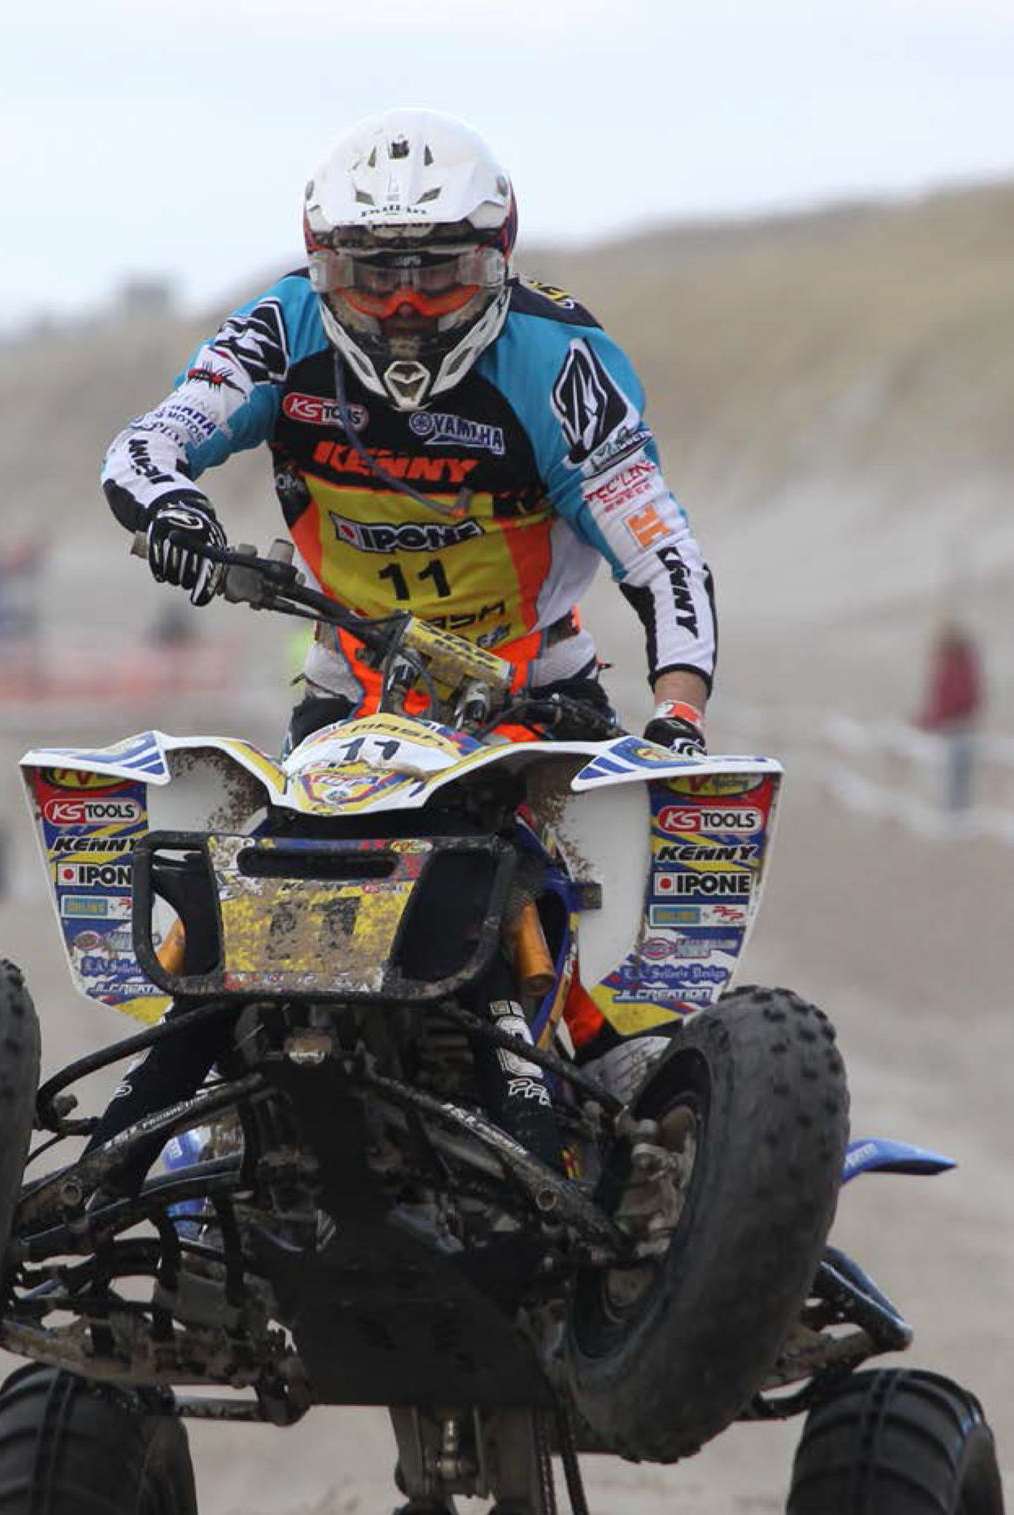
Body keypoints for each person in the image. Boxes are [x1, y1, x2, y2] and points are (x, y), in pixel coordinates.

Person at [90, 108, 720, 1174]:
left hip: (540, 704)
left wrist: (681, 714)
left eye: (437, 271)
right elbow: (149, 443)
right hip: (353, 696)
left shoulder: (561, 361)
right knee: (249, 921)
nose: (405, 307)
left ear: (497, 257)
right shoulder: (278, 330)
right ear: (322, 263)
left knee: (621, 985)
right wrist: (176, 514)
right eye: (371, 274)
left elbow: (663, 550)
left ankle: (628, 1134)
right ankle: (142, 1144)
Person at [915, 622, 984, 815]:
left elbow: (947, 700)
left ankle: (954, 825)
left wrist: (929, 721)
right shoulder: (966, 664)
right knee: (959, 783)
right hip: (963, 726)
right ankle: (957, 822)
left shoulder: (953, 666)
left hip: (955, 728)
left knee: (954, 784)